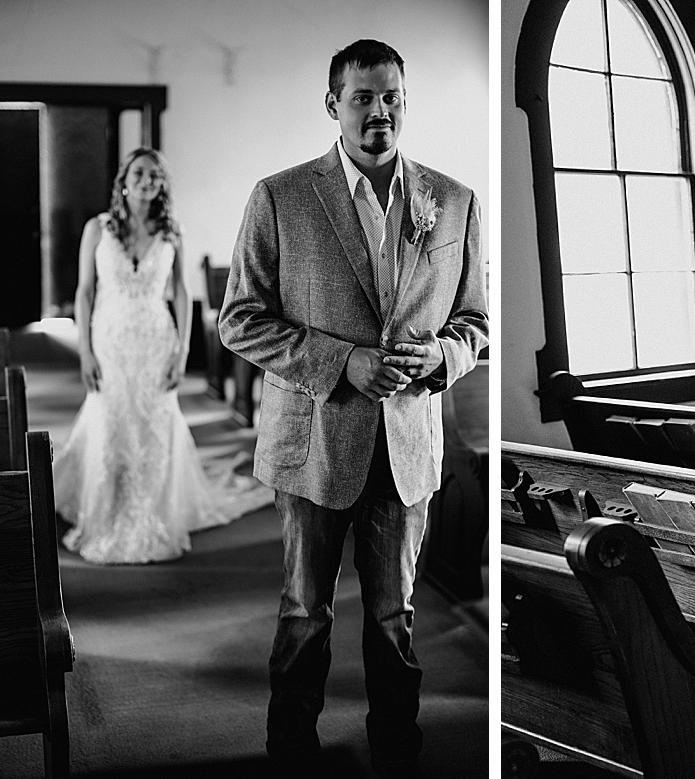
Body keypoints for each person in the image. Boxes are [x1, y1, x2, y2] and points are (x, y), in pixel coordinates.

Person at [218, 39, 488, 777]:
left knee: (395, 618)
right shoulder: (280, 196)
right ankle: (292, 751)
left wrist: (439, 359)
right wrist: (344, 362)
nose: (380, 111)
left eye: (393, 96)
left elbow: (475, 324)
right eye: (364, 96)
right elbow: (239, 318)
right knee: (305, 614)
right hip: (313, 446)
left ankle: (398, 749)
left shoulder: (454, 200)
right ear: (332, 103)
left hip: (407, 448)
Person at [55, 147, 272, 565]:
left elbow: (179, 295)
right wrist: (84, 349)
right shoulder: (97, 229)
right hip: (110, 339)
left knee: (152, 426)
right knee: (112, 421)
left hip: (157, 339)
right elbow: (84, 293)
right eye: (139, 173)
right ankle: (106, 510)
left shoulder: (173, 231)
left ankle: (151, 510)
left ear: (161, 187)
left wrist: (182, 350)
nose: (146, 181)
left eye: (155, 176)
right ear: (124, 180)